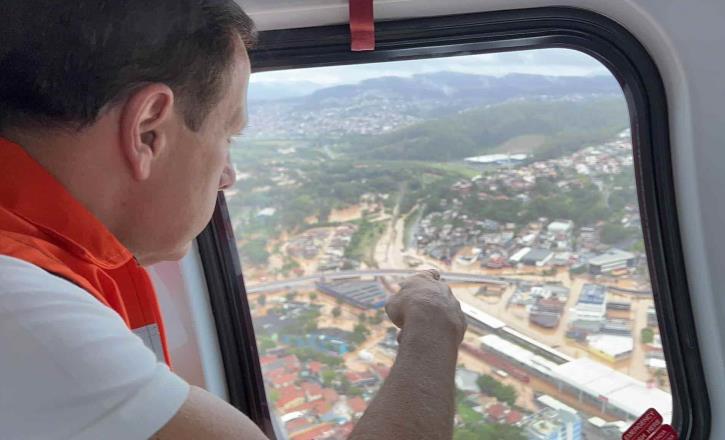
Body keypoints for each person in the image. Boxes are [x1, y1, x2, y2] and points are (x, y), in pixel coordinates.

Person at [0, 1, 468, 439]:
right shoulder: (26, 317)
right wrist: (433, 326)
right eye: (228, 134)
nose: (228, 176)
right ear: (148, 131)